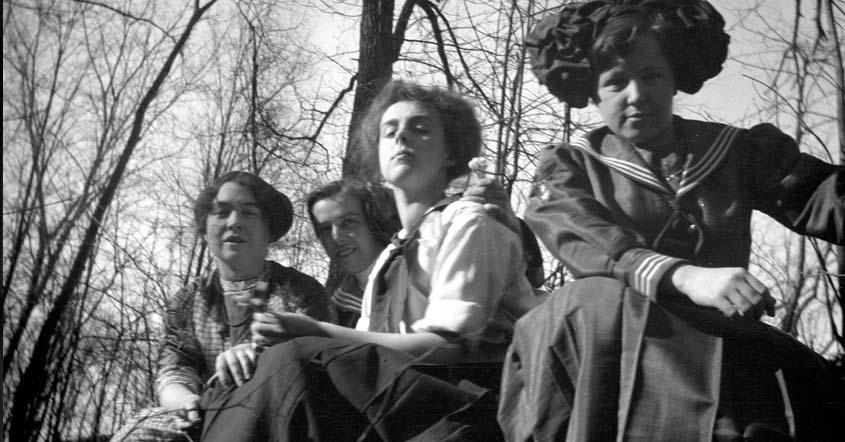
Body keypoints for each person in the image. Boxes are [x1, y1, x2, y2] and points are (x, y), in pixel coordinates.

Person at [498, 1, 844, 441]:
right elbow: (584, 236)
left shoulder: (733, 151)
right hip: (612, 351)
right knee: (587, 301)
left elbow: (820, 195)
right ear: (593, 92)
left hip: (724, 344)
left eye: (651, 76)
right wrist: (684, 276)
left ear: (674, 76)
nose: (637, 95)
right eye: (616, 82)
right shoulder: (572, 168)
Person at [200, 80, 541, 441]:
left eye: (420, 129)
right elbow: (364, 347)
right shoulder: (389, 259)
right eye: (389, 132)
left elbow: (446, 349)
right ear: (378, 160)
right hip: (403, 402)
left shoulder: (470, 222)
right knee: (239, 381)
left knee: (298, 360)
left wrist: (314, 330)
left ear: (450, 153)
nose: (402, 138)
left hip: (474, 404)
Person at [111, 171, 330, 442]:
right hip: (207, 418)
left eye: (249, 213)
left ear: (268, 230)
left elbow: (316, 363)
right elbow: (175, 369)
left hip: (278, 418)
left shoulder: (301, 292)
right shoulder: (188, 301)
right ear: (205, 230)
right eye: (222, 212)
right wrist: (187, 401)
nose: (234, 222)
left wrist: (257, 358)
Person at [306, 180, 400, 327]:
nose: (336, 237)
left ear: (373, 222)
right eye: (325, 229)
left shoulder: (411, 272)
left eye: (348, 222)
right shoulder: (336, 310)